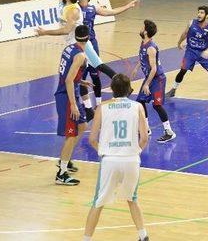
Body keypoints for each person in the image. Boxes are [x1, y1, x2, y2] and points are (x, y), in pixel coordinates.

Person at [82, 73, 150, 241]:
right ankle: (143, 236)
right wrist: (135, 151)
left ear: (111, 89)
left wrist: (103, 151)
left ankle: (86, 239)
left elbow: (92, 139)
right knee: (132, 199)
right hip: (131, 160)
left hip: (110, 160)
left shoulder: (102, 108)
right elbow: (144, 138)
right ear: (129, 90)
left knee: (98, 203)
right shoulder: (137, 107)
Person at [79, 0, 138, 105]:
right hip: (80, 44)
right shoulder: (75, 7)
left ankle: (98, 103)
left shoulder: (93, 8)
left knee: (95, 74)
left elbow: (111, 12)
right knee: (81, 77)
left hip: (91, 43)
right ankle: (87, 106)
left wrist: (128, 6)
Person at [54, 25, 90, 186]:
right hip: (67, 97)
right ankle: (61, 173)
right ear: (88, 38)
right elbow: (68, 79)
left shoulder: (69, 48)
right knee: (72, 134)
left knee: (82, 126)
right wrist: (73, 104)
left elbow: (66, 73)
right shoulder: (81, 55)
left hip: (71, 92)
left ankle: (65, 159)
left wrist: (80, 80)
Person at [131, 19, 176, 143]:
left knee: (157, 105)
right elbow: (142, 58)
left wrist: (146, 84)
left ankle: (169, 132)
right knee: (140, 102)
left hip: (158, 79)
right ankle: (146, 129)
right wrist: (136, 68)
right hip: (150, 77)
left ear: (146, 32)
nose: (140, 29)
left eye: (142, 27)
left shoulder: (151, 48)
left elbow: (154, 68)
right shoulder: (143, 43)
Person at [167, 6, 208, 98]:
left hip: (203, 52)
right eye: (198, 12)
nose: (199, 15)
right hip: (191, 51)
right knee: (183, 70)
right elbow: (185, 33)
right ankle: (173, 89)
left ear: (207, 16)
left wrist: (207, 51)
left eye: (202, 13)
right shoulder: (191, 23)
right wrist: (179, 42)